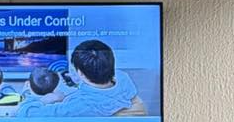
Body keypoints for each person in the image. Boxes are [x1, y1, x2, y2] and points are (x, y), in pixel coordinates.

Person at [14, 39, 146, 117]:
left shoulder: (79, 106)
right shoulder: (122, 77)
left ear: (81, 73)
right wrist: (79, 82)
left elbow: (26, 113)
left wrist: (32, 95)